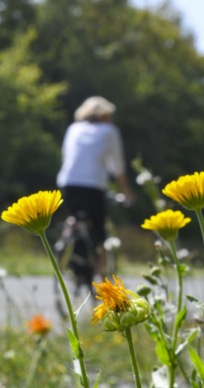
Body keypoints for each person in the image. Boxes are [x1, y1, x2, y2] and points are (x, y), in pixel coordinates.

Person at [56, 96, 133, 279]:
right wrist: (126, 192)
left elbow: (67, 156)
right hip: (93, 186)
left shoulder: (73, 128)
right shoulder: (110, 131)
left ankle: (67, 237)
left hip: (68, 183)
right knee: (100, 234)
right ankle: (102, 275)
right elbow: (117, 167)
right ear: (106, 115)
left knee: (74, 219)